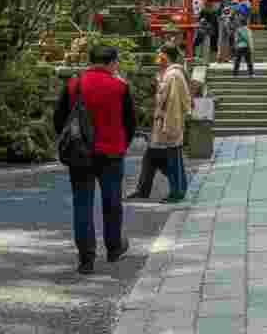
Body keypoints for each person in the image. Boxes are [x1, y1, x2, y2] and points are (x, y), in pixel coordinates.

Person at [53, 44, 136, 274]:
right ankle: (114, 248)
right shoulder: (120, 86)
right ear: (112, 62)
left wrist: (70, 140)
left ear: (91, 61)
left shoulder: (74, 83)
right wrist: (122, 144)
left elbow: (59, 118)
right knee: (112, 203)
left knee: (82, 205)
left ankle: (86, 258)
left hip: (80, 153)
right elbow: (130, 122)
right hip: (111, 153)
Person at [129, 45, 174, 201]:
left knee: (158, 160)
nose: (157, 59)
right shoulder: (162, 74)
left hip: (166, 124)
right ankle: (143, 190)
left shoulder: (173, 75)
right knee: (151, 159)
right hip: (159, 124)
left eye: (160, 56)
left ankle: (178, 185)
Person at [151, 55, 192, 204]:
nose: (158, 63)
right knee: (173, 158)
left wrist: (169, 125)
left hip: (170, 121)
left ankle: (176, 191)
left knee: (172, 159)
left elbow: (173, 101)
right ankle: (180, 189)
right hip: (171, 120)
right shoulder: (173, 73)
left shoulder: (172, 75)